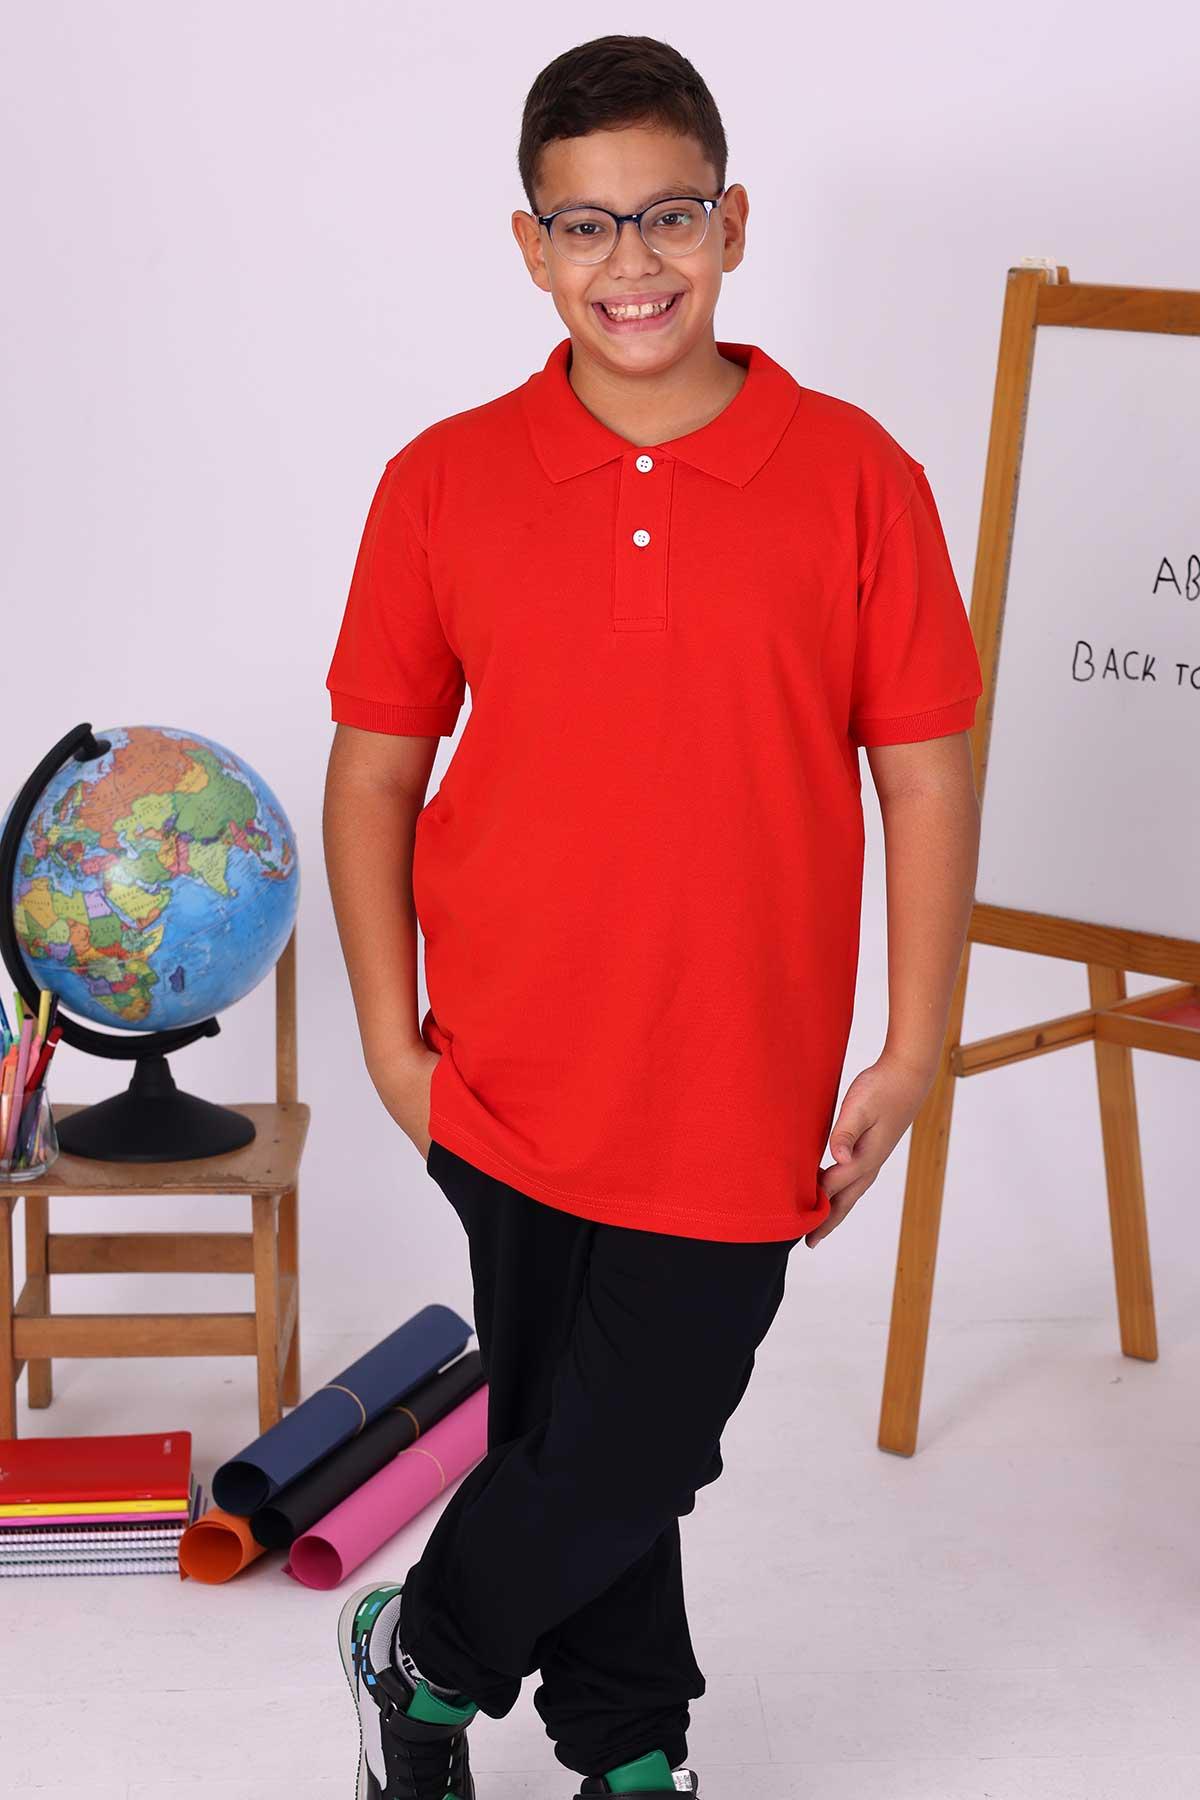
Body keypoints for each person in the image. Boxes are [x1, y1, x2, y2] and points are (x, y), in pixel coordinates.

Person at [322, 32, 984, 1800]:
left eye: (669, 216)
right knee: (573, 1431)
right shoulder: (443, 479)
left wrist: (914, 1042)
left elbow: (925, 779)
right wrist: (390, 1042)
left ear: (734, 222)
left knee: (639, 1441)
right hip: (508, 1063)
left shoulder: (857, 476)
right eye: (587, 225)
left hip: (738, 1071)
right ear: (530, 247)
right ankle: (630, 1756)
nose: (633, 262)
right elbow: (375, 776)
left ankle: (419, 1654)